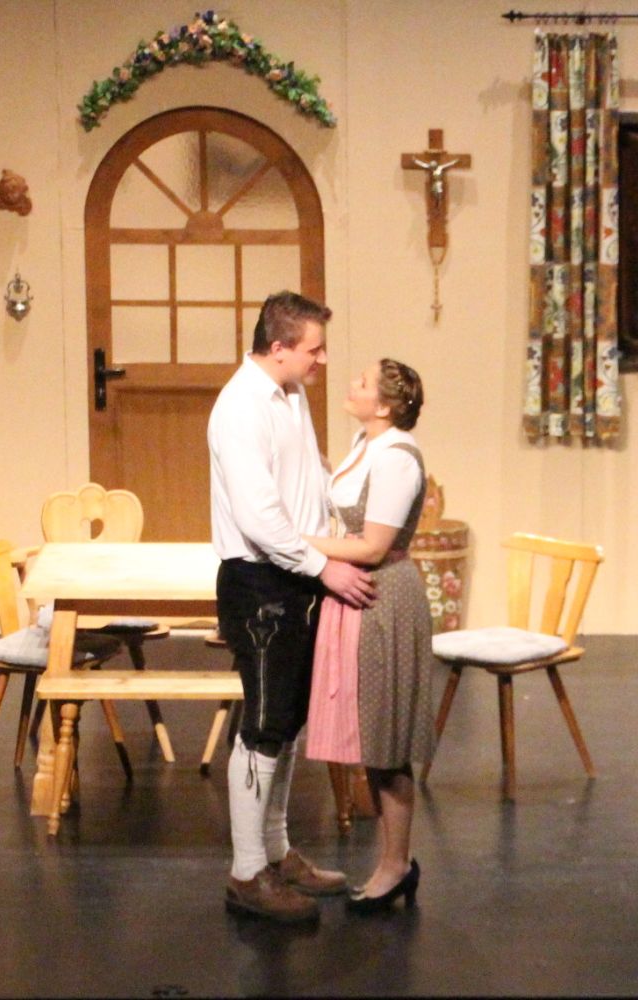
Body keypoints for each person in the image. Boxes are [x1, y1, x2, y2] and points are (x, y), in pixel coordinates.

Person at [208, 290, 376, 924]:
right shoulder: (240, 408)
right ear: (278, 348)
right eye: (314, 349)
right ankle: (246, 871)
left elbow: (305, 477)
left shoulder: (291, 392)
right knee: (262, 724)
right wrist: (323, 567)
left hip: (295, 576)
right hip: (261, 583)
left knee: (287, 723)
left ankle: (275, 851)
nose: (322, 360)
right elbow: (258, 516)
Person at [301, 358, 434, 914]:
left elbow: (374, 547)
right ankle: (391, 861)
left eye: (362, 382)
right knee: (369, 739)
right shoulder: (365, 443)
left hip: (384, 601)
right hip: (356, 596)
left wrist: (297, 543)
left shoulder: (397, 457)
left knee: (386, 741)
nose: (351, 385)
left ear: (383, 405)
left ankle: (396, 864)